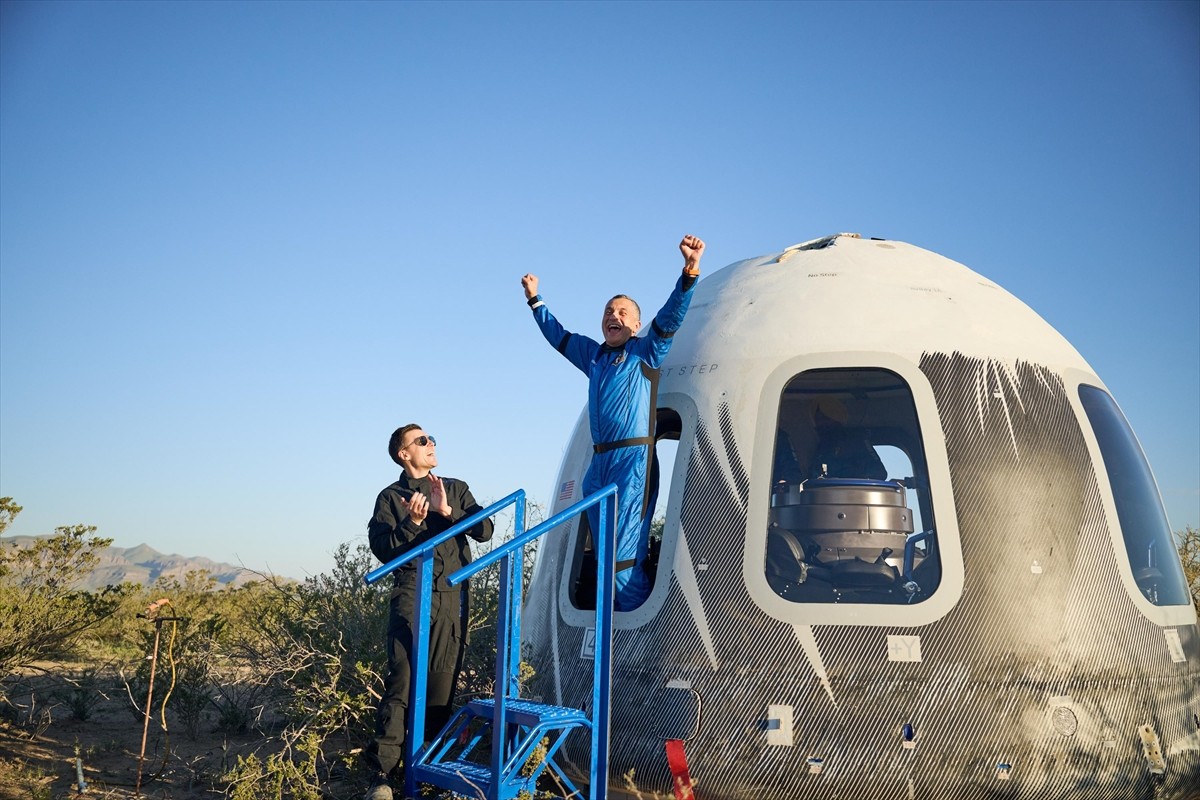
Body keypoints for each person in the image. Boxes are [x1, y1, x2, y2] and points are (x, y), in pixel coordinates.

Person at [521, 235, 705, 611]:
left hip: (632, 462)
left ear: (636, 324)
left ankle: (633, 635)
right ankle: (610, 626)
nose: (613, 316)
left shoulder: (644, 351)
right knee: (603, 556)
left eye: (622, 312)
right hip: (599, 465)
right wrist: (535, 301)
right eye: (608, 311)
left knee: (622, 559)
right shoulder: (593, 356)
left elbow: (671, 316)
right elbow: (559, 336)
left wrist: (689, 272)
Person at [363, 424, 494, 800]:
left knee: (440, 687)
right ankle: (383, 776)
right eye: (421, 440)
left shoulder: (455, 487)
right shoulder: (390, 497)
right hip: (411, 595)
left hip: (452, 597)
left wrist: (448, 512)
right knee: (402, 682)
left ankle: (428, 771)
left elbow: (485, 529)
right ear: (404, 454)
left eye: (431, 438)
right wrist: (414, 523)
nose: (431, 443)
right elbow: (384, 550)